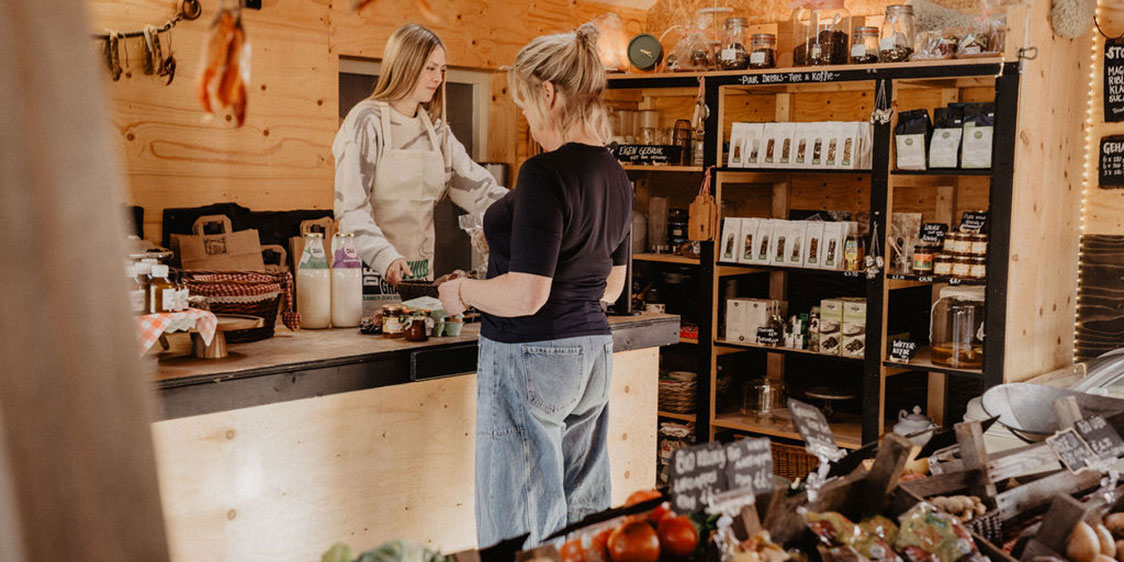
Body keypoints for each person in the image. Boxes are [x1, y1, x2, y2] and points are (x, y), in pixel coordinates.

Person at [437, 23, 632, 547]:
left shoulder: (544, 172)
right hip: (592, 354)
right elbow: (611, 285)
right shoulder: (616, 174)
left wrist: (464, 292)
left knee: (521, 517)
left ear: (549, 93)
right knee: (583, 513)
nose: (527, 118)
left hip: (532, 354)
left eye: (525, 105)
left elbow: (528, 294)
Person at [334, 23, 506, 291]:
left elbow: (481, 190)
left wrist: (528, 208)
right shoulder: (366, 121)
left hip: (420, 275)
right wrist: (385, 258)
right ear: (405, 64)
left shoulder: (436, 131)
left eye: (442, 70)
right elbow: (350, 209)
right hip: (366, 274)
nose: (438, 78)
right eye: (430, 68)